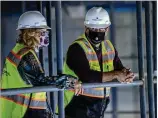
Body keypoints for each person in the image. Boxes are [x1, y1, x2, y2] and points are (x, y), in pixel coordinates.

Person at [0, 11, 80, 118]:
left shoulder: (18, 51)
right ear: (31, 33)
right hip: (25, 112)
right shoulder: (25, 55)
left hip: (19, 111)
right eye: (42, 32)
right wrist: (69, 81)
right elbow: (41, 80)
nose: (45, 35)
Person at [62, 7, 135, 118]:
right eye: (94, 28)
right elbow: (87, 77)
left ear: (107, 29)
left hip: (98, 107)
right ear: (86, 28)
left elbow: (118, 68)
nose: (97, 33)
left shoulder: (108, 46)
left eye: (101, 29)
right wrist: (115, 74)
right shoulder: (77, 48)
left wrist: (125, 74)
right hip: (75, 106)